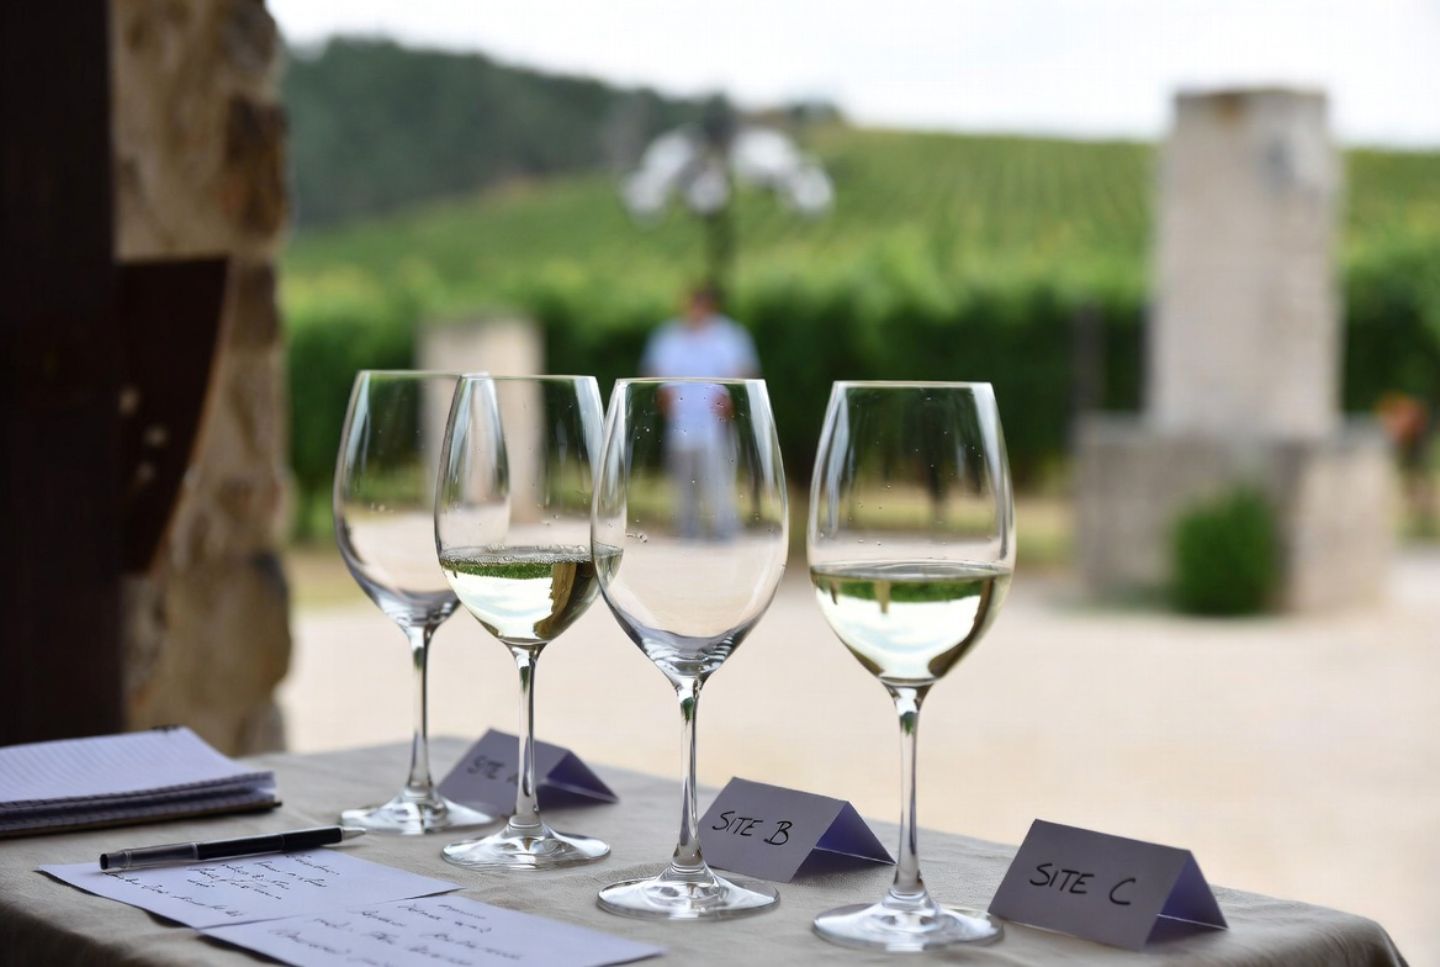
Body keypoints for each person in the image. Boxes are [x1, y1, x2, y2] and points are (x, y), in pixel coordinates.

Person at [640, 285, 759, 538]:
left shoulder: (729, 336)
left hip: (713, 424)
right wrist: (662, 396)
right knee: (683, 483)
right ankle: (687, 530)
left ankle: (723, 531)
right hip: (680, 423)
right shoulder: (668, 336)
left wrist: (732, 400)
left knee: (718, 480)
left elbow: (745, 375)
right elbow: (651, 375)